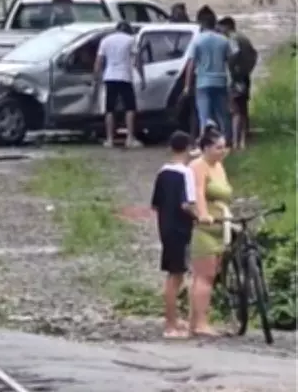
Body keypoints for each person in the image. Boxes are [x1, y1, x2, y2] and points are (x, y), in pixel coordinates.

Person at [151, 131, 196, 338]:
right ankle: (170, 324)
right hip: (180, 227)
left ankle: (174, 319)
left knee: (174, 274)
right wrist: (200, 217)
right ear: (188, 148)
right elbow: (187, 203)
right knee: (175, 276)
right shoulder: (186, 173)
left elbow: (156, 205)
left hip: (165, 226)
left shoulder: (162, 172)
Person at [188, 124, 231, 336]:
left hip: (222, 223)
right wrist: (203, 215)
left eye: (224, 147)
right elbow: (198, 192)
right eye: (218, 148)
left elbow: (223, 193)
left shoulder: (219, 166)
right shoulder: (198, 165)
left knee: (211, 275)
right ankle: (200, 323)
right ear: (205, 148)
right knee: (203, 276)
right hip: (205, 226)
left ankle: (196, 320)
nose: (222, 151)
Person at [184, 6, 233, 144]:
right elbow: (230, 61)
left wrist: (187, 85)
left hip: (203, 82)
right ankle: (226, 142)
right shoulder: (223, 40)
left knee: (203, 116)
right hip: (220, 81)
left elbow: (191, 64)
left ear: (201, 23)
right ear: (215, 23)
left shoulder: (197, 40)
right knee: (223, 115)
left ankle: (205, 144)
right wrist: (232, 80)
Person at [94, 21, 145, 148]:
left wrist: (97, 78)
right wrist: (142, 77)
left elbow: (99, 61)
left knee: (110, 109)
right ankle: (130, 138)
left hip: (109, 76)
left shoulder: (106, 40)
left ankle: (109, 139)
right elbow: (137, 60)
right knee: (130, 108)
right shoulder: (131, 40)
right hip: (125, 76)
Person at [218, 16, 258, 150]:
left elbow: (235, 53)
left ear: (227, 26)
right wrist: (249, 69)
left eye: (221, 28)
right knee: (243, 107)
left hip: (236, 78)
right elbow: (254, 55)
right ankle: (244, 135)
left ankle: (236, 142)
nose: (220, 31)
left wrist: (230, 66)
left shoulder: (233, 38)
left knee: (235, 109)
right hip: (244, 75)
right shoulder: (244, 37)